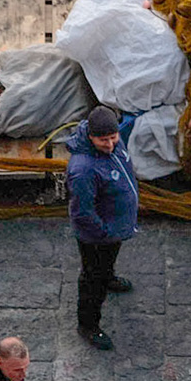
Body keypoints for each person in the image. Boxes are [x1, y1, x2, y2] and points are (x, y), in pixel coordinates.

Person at [66, 104, 138, 351]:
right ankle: (88, 324)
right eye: (103, 140)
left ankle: (109, 277)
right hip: (98, 236)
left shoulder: (116, 145)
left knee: (106, 265)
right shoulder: (83, 170)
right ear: (90, 137)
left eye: (113, 137)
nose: (109, 144)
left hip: (113, 227)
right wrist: (104, 233)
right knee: (91, 280)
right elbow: (82, 212)